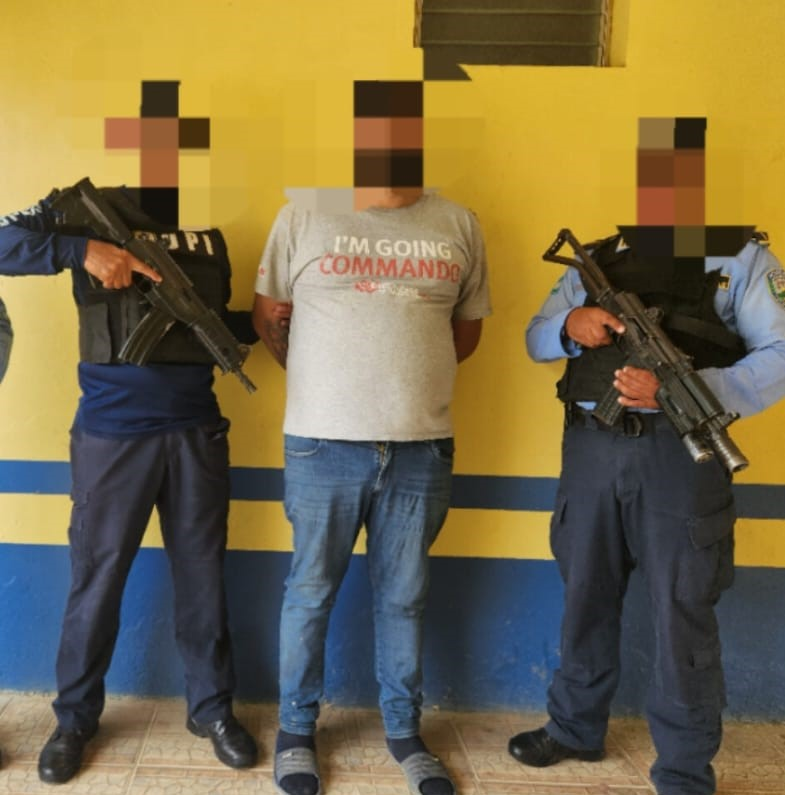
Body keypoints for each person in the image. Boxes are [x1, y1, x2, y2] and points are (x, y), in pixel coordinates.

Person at [509, 117, 785, 795]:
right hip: (591, 450)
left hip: (681, 455)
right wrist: (570, 326)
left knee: (680, 607)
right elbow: (535, 338)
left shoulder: (738, 260)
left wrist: (686, 391)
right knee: (585, 593)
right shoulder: (597, 260)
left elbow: (780, 355)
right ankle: (574, 727)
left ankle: (684, 767)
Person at [253, 79, 491, 795]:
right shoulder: (303, 213)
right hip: (322, 445)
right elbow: (268, 316)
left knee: (404, 596)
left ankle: (403, 732)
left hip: (421, 447)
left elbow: (465, 334)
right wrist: (328, 384)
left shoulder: (458, 222)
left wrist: (404, 382)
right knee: (309, 593)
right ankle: (296, 731)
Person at [0, 183, 259, 784]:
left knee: (203, 578)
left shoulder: (208, 241)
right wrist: (81, 251)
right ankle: (74, 721)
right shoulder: (83, 215)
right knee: (96, 582)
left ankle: (212, 710)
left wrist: (257, 323)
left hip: (196, 431)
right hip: (112, 436)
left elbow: (200, 327)